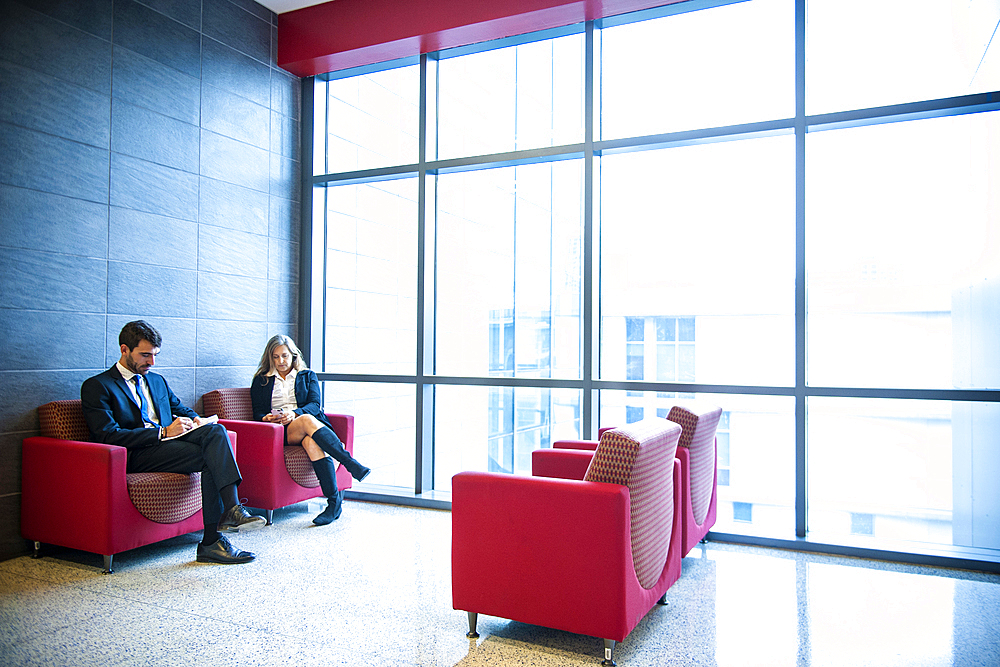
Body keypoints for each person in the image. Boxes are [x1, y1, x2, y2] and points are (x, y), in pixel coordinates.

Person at [81, 320, 265, 565]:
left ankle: (221, 526)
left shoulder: (156, 380)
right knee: (214, 455)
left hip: (167, 446)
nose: (152, 362)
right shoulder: (98, 386)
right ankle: (218, 531)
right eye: (145, 355)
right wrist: (162, 432)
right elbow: (107, 434)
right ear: (124, 350)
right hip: (136, 453)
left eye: (155, 355)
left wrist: (196, 419)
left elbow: (178, 407)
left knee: (215, 433)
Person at [250, 334, 370, 525]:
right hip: (279, 431)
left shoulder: (307, 375)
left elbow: (315, 405)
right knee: (306, 420)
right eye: (275, 357)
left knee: (311, 441)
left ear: (293, 356)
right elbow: (257, 412)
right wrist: (267, 417)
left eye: (284, 356)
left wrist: (294, 413)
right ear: (269, 357)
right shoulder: (261, 380)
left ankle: (333, 504)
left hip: (304, 423)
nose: (281, 361)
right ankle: (349, 463)